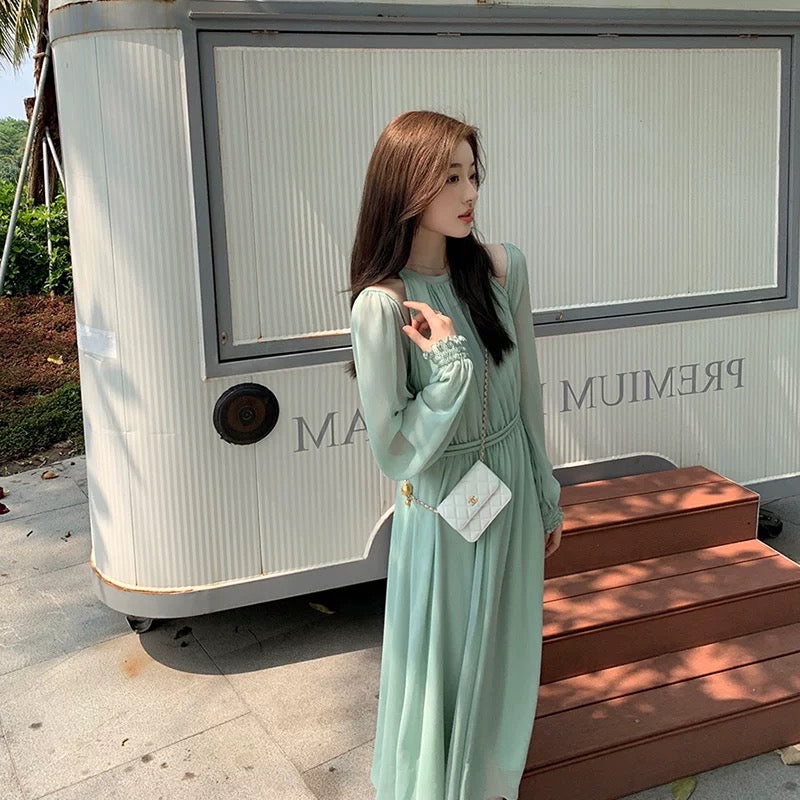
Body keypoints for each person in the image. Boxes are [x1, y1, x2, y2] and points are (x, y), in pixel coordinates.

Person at [348, 110, 564, 800]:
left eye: (473, 174)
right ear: (406, 186)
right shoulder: (384, 307)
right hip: (442, 508)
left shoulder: (503, 270)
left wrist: (545, 491)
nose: (470, 192)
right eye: (450, 178)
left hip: (509, 492)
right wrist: (446, 369)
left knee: (505, 659)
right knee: (441, 665)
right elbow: (394, 449)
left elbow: (526, 393)